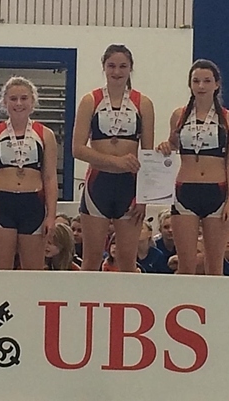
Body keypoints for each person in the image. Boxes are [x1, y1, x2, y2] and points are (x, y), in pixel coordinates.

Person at [73, 44, 154, 273]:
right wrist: (114, 161)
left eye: (122, 66)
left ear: (130, 68)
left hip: (129, 185)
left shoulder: (143, 103)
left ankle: (127, 297)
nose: (117, 72)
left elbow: (148, 154)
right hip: (98, 184)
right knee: (91, 258)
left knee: (127, 259)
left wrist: (144, 198)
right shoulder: (90, 100)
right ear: (104, 67)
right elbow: (77, 149)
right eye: (111, 66)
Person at [157, 59, 229, 275]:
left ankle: (214, 299)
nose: (201, 86)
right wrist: (166, 146)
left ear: (216, 84)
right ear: (190, 84)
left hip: (216, 191)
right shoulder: (179, 115)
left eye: (207, 81)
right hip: (185, 191)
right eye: (196, 81)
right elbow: (173, 144)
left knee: (214, 266)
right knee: (187, 265)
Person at [0, 76, 58, 270]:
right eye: (13, 99)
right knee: (1, 271)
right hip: (2, 204)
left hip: (33, 204)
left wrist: (51, 216)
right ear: (5, 102)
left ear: (32, 101)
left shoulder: (45, 134)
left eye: (24, 98)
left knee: (33, 272)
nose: (19, 103)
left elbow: (50, 177)